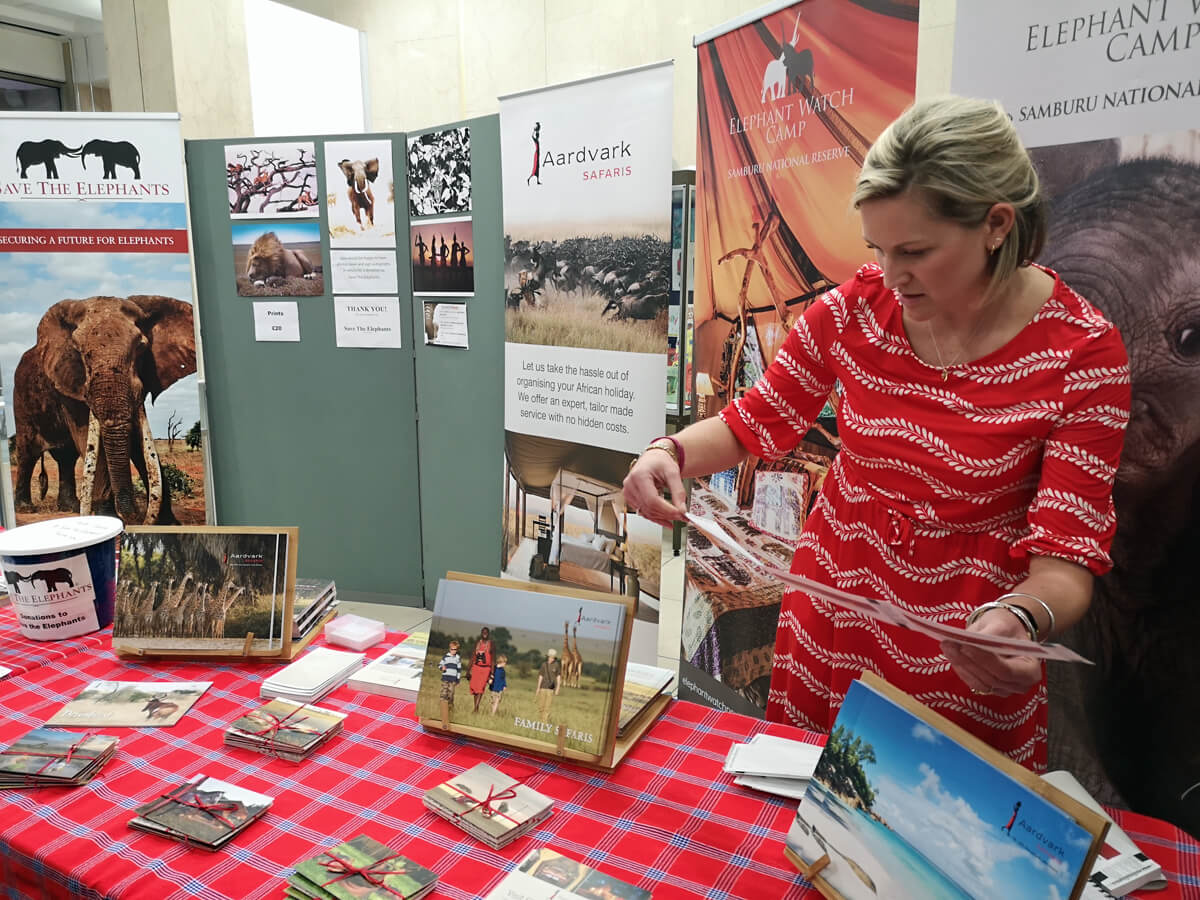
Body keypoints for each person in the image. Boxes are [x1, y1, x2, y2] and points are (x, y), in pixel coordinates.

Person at [623, 96, 1131, 771]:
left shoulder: (1081, 355)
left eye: (915, 251)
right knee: (808, 819)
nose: (892, 275)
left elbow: (1066, 562)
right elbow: (756, 422)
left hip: (962, 644)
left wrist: (1026, 618)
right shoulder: (855, 313)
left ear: (996, 225)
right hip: (831, 620)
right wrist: (670, 452)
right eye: (879, 249)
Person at [469, 626, 494, 713]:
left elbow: (493, 659)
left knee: (480, 688)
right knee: (475, 688)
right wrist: (468, 671)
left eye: (486, 632)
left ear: (488, 634)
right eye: (483, 632)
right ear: (481, 633)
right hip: (476, 668)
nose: (485, 634)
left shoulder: (491, 644)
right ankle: (476, 707)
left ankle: (476, 708)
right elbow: (472, 657)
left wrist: (492, 673)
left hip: (486, 669)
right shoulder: (477, 643)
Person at [438, 640, 462, 729]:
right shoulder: (445, 657)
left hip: (453, 680)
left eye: (455, 649)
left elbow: (459, 670)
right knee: (443, 694)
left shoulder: (458, 658)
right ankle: (442, 709)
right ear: (449, 648)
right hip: (445, 678)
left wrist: (458, 680)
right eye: (452, 649)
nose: (453, 651)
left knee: (451, 695)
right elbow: (439, 665)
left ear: (457, 650)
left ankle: (450, 709)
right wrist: (442, 667)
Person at [536, 648, 561, 722]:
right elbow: (540, 676)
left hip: (551, 688)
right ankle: (540, 721)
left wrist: (557, 688)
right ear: (548, 657)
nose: (551, 658)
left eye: (552, 657)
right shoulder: (544, 664)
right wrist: (538, 688)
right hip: (543, 687)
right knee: (541, 706)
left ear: (554, 658)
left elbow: (558, 677)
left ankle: (544, 722)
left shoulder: (556, 665)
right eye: (550, 657)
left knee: (547, 707)